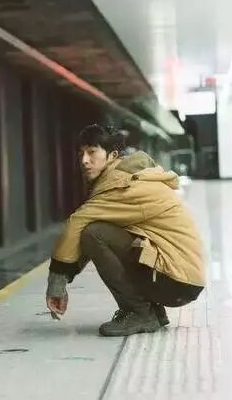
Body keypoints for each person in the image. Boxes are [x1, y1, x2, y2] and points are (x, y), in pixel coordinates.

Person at [45, 124, 205, 336]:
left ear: (112, 155)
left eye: (92, 152)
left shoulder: (122, 186)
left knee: (94, 233)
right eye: (81, 153)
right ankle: (152, 312)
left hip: (176, 281)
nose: (84, 160)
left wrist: (56, 283)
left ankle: (140, 312)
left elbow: (77, 224)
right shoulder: (127, 176)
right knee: (96, 231)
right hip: (180, 277)